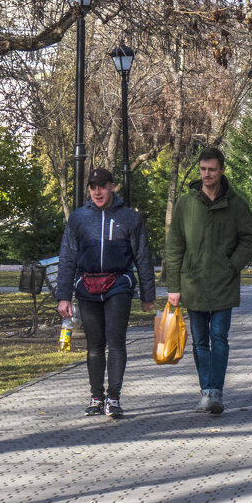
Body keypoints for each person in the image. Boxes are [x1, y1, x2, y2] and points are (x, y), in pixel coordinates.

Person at [55, 168, 156, 419]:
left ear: (112, 187)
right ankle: (96, 396)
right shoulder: (78, 218)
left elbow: (142, 256)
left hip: (118, 285)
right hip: (87, 286)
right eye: (92, 186)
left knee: (116, 341)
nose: (97, 191)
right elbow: (67, 257)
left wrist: (147, 294)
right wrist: (64, 296)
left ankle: (114, 396)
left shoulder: (130, 218)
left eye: (101, 186)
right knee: (95, 345)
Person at [165, 147, 252, 415]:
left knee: (219, 337)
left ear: (222, 170)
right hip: (193, 283)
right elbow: (174, 246)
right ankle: (205, 391)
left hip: (223, 283)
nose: (207, 174)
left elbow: (250, 238)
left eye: (212, 169)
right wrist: (173, 287)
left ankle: (215, 392)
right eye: (203, 169)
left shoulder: (235, 204)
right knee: (200, 340)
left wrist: (232, 265)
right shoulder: (186, 203)